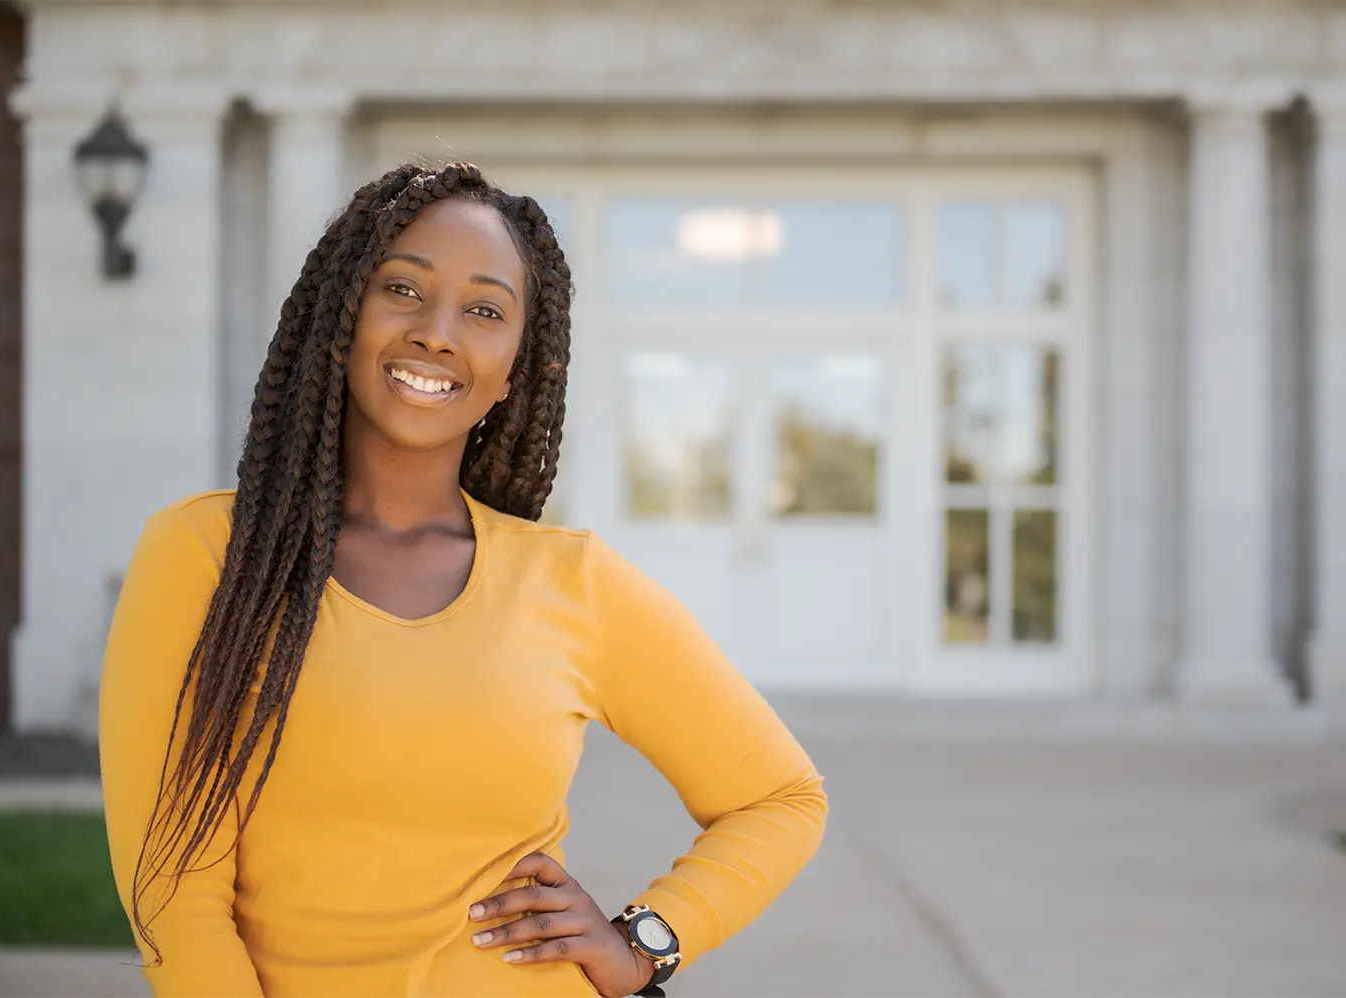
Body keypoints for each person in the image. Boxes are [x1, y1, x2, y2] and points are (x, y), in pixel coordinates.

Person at [99, 162, 828, 997]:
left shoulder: (572, 582)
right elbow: (175, 894)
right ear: (343, 315)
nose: (437, 332)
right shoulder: (207, 556)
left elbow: (781, 798)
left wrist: (646, 942)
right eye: (403, 290)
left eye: (484, 310)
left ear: (514, 366)